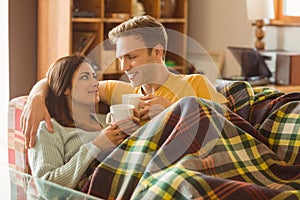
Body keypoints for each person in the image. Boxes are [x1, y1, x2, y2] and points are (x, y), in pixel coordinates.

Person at [21, 15, 227, 148]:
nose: (123, 67)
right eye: (120, 58)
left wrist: (175, 111)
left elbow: (229, 132)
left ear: (157, 52)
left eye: (131, 57)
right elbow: (68, 81)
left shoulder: (195, 83)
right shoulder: (126, 92)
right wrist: (37, 96)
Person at [28, 55, 138, 189]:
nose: (95, 82)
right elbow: (46, 187)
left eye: (94, 76)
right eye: (85, 77)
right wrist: (95, 146)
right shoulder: (50, 129)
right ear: (66, 89)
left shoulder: (108, 119)